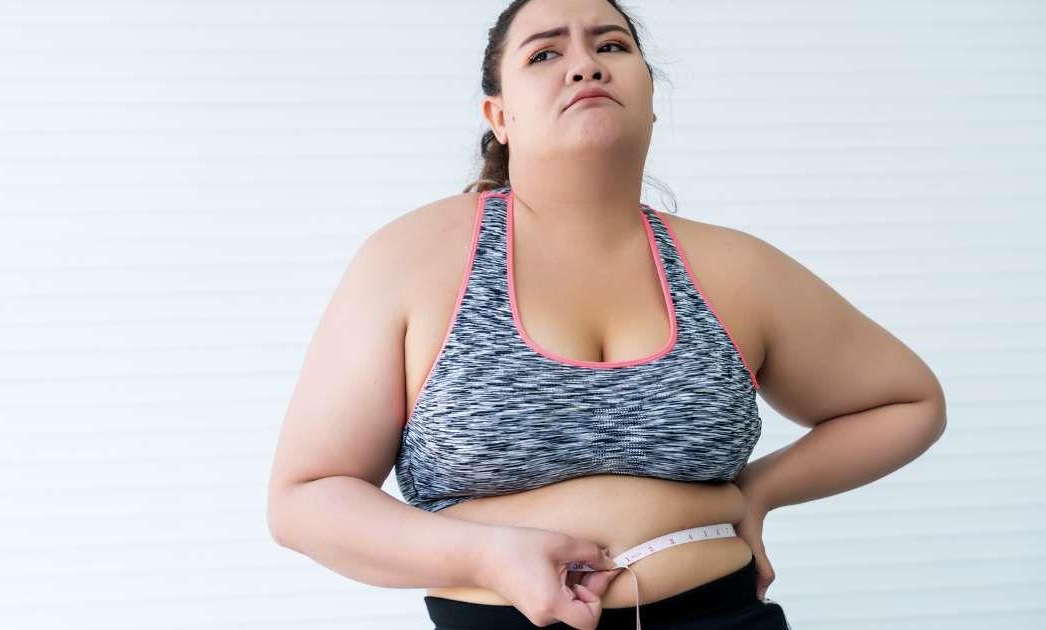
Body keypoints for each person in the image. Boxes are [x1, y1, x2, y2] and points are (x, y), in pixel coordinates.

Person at [267, 1, 947, 629]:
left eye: (611, 45)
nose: (585, 63)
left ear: (651, 98)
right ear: (499, 116)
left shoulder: (738, 269)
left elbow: (907, 402)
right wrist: (482, 556)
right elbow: (306, 497)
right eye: (543, 54)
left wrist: (759, 492)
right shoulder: (410, 259)